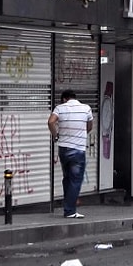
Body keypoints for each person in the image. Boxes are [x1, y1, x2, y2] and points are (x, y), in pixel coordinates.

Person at [48, 90, 94, 219]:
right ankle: (70, 210)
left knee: (67, 178)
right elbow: (89, 126)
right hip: (78, 150)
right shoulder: (86, 108)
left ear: (64, 99)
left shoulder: (60, 108)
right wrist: (81, 134)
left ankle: (68, 205)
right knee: (75, 180)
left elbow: (51, 122)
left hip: (63, 149)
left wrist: (56, 135)